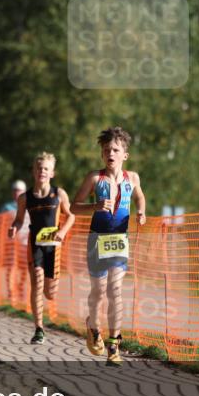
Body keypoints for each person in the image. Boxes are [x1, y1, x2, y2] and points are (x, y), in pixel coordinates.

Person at [71, 127, 146, 365]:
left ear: (125, 154)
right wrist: (93, 207)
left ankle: (114, 344)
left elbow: (139, 197)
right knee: (99, 292)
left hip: (120, 239)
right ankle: (93, 327)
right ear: (102, 155)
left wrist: (141, 211)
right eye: (106, 150)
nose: (110, 153)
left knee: (115, 291)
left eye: (115, 149)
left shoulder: (132, 178)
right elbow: (74, 207)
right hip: (97, 239)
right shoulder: (95, 178)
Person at [8, 154, 75, 345]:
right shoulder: (24, 198)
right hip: (35, 244)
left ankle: (48, 296)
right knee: (36, 280)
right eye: (38, 168)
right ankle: (39, 329)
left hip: (54, 247)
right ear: (33, 171)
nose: (42, 171)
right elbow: (19, 219)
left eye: (46, 168)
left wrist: (62, 231)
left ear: (52, 173)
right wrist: (14, 227)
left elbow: (71, 216)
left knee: (50, 293)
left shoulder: (59, 194)